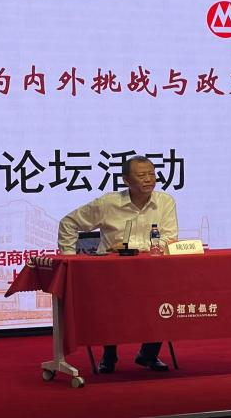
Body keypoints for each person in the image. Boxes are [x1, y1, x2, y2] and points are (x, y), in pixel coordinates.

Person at [58, 155, 178, 373]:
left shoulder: (165, 202)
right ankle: (109, 353)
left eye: (152, 174)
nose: (149, 179)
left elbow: (169, 239)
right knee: (109, 305)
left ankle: (148, 354)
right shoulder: (108, 203)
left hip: (151, 272)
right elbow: (68, 223)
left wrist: (131, 246)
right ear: (126, 180)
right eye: (141, 175)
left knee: (166, 297)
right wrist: (69, 259)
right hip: (111, 273)